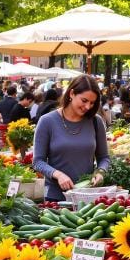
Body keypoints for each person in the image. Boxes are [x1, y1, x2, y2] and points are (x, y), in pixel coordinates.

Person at [32, 74, 110, 202]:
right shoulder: (47, 121)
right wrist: (57, 174)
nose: (88, 107)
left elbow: (104, 157)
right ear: (72, 93)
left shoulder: (96, 122)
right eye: (84, 100)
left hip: (87, 197)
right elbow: (38, 162)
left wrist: (100, 172)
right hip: (55, 199)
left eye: (92, 103)